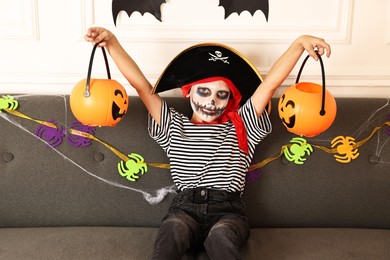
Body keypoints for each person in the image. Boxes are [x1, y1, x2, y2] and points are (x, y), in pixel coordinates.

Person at [84, 28, 331, 259]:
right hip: (184, 209)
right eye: (204, 92)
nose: (211, 102)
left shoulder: (242, 125)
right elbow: (142, 87)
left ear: (231, 99)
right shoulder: (173, 126)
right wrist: (113, 43)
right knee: (174, 229)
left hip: (228, 211)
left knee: (222, 237)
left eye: (221, 94)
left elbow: (269, 85)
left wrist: (299, 45)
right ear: (189, 92)